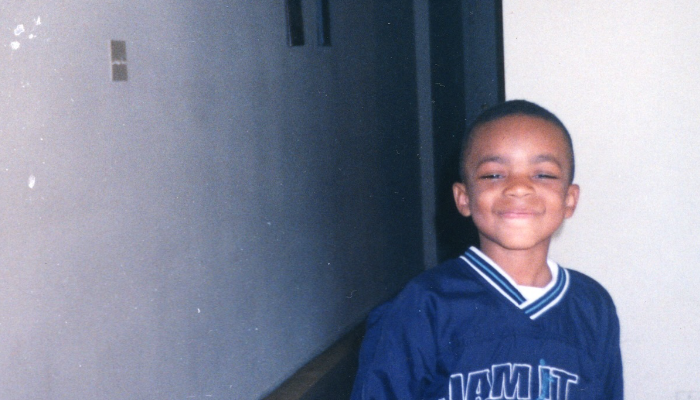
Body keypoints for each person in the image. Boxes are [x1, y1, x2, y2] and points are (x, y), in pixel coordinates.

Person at [350, 100, 622, 400]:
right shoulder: (422, 307)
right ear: (464, 198)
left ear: (570, 199)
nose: (519, 187)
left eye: (543, 174)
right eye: (494, 175)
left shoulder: (593, 306)